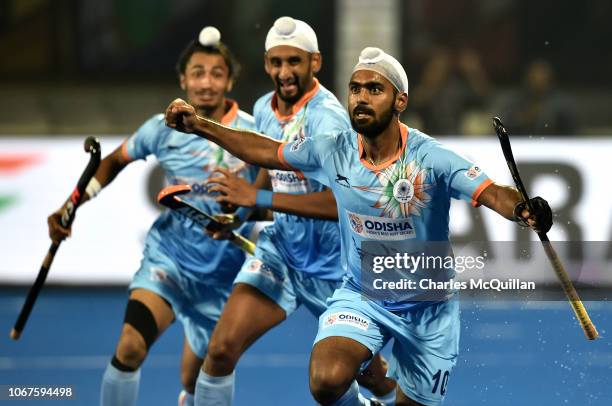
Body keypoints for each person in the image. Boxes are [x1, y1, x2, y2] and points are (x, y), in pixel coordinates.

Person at [164, 46, 553, 405]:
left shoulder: (431, 158)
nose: (361, 97)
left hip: (428, 308)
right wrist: (200, 125)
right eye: (355, 88)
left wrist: (523, 210)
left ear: (400, 100)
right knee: (326, 380)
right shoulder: (333, 148)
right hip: (363, 293)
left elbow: (492, 192)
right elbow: (266, 150)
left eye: (374, 89)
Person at [189, 17, 396, 406]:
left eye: (294, 62)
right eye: (277, 62)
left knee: (373, 381)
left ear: (315, 62)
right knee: (219, 351)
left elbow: (342, 203)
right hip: (281, 253)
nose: (285, 72)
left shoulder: (328, 119)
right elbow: (274, 173)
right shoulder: (263, 110)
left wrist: (258, 201)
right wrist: (241, 216)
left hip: (337, 271)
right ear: (267, 64)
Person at [47, 27, 259, 406]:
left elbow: (270, 195)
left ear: (229, 80)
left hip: (222, 278)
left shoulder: (251, 132)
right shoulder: (163, 128)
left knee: (195, 382)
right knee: (129, 347)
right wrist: (71, 206)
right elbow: (113, 161)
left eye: (215, 73)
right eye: (197, 72)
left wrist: (240, 215)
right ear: (183, 80)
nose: (206, 82)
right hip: (169, 263)